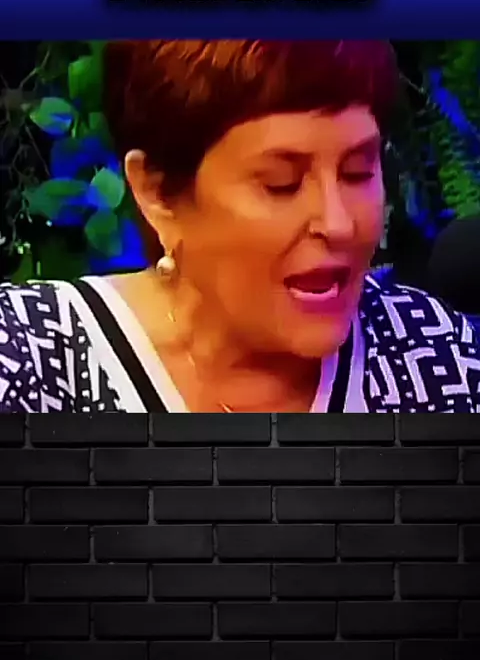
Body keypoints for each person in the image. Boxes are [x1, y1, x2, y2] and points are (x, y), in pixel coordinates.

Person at [1, 39, 479, 414]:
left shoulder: (437, 354)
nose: (338, 224)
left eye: (357, 173)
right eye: (281, 184)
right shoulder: (27, 357)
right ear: (157, 193)